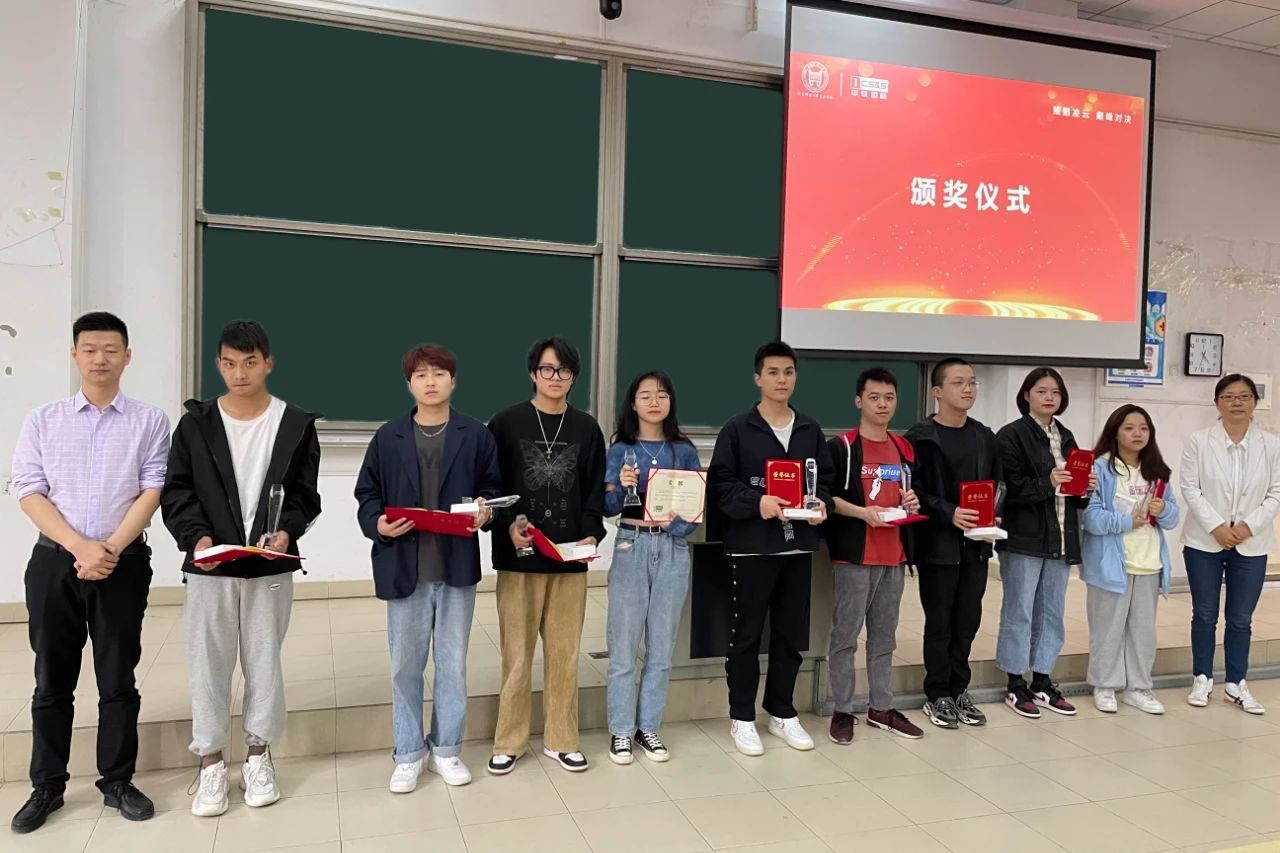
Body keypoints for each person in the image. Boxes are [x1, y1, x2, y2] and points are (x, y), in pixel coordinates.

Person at [10, 312, 170, 833]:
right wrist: (79, 546)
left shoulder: (149, 421)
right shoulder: (43, 419)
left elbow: (153, 488)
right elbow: (28, 488)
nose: (101, 359)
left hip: (123, 564)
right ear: (74, 355)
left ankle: (117, 781)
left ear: (127, 356)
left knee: (118, 677)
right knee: (51, 680)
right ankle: (47, 785)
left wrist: (110, 549)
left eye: (111, 349)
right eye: (90, 349)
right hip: (54, 562)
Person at [161, 320, 322, 817]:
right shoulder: (196, 424)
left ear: (268, 363)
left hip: (268, 566)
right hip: (210, 568)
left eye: (250, 362)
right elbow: (177, 491)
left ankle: (258, 754)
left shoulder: (294, 424)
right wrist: (198, 539)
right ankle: (210, 761)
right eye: (229, 363)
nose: (239, 373)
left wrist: (287, 531)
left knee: (264, 661)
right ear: (218, 364)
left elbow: (305, 496)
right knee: (208, 662)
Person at [355, 344, 502, 791]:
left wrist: (486, 512)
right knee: (405, 666)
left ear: (453, 381)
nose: (431, 381)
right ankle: (408, 753)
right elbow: (367, 494)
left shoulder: (475, 434)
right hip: (405, 567)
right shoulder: (388, 436)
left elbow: (492, 488)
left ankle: (446, 749)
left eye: (439, 373)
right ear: (409, 384)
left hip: (455, 567)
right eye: (421, 375)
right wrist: (378, 524)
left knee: (452, 665)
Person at [486, 337, 607, 774]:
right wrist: (507, 525)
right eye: (547, 369)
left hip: (569, 560)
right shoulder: (505, 423)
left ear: (574, 377)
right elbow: (492, 488)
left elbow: (594, 491)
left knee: (564, 654)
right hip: (519, 559)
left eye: (564, 370)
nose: (555, 377)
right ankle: (509, 741)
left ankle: (562, 739)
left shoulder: (587, 428)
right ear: (533, 373)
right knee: (516, 656)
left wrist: (591, 534)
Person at [708, 341, 833, 757]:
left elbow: (825, 483)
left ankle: (782, 711)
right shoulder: (738, 429)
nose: (782, 380)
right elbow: (721, 486)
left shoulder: (810, 429)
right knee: (746, 637)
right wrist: (756, 502)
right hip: (752, 549)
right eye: (774, 372)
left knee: (789, 636)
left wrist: (820, 505)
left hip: (797, 549)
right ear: (758, 378)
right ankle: (742, 717)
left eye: (789, 372)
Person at [603, 371, 702, 765]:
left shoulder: (684, 450)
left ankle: (648, 727)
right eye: (645, 395)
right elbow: (607, 508)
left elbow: (695, 511)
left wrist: (675, 525)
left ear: (671, 401)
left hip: (673, 549)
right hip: (631, 543)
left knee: (661, 647)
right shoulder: (620, 450)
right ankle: (621, 731)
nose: (654, 401)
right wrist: (619, 484)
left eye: (662, 394)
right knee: (624, 647)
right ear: (633, 403)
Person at [824, 367, 923, 744]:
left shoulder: (903, 448)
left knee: (884, 638)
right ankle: (842, 710)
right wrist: (863, 513)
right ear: (859, 401)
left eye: (889, 398)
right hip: (854, 556)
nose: (882, 404)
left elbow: (910, 492)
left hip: (893, 556)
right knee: (846, 637)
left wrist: (912, 501)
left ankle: (881, 707)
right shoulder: (843, 447)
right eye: (874, 397)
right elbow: (825, 497)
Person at [906, 358, 1002, 730]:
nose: (968, 389)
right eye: (959, 382)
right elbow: (914, 490)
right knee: (940, 622)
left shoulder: (983, 435)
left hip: (975, 546)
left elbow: (998, 485)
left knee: (967, 622)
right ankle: (937, 693)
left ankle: (960, 689)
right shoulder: (919, 437)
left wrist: (994, 514)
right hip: (938, 545)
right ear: (937, 391)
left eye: (972, 382)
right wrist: (950, 512)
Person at [995, 367, 1095, 719]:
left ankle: (1042, 680)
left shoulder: (1065, 436)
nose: (1049, 397)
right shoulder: (1011, 436)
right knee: (1020, 611)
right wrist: (1047, 482)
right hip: (1023, 538)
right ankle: (1015, 682)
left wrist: (1084, 488)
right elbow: (1007, 490)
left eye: (1055, 392)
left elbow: (1071, 492)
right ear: (1026, 395)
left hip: (1061, 536)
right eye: (1041, 391)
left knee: (1052, 612)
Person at [1180, 374, 1280, 714]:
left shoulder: (1271, 445)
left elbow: (1276, 492)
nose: (1237, 402)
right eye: (1228, 396)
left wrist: (1247, 526)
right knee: (1204, 614)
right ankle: (1202, 678)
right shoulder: (1199, 441)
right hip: (1204, 541)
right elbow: (1190, 488)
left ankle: (1236, 683)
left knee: (1240, 618)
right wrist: (1217, 527)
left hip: (1252, 543)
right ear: (1217, 403)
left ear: (1254, 402)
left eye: (1244, 396)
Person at [1081, 405, 1180, 714]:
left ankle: (1138, 688)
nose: (1137, 433)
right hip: (1111, 565)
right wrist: (1127, 522)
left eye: (1143, 428)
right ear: (1115, 433)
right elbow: (1090, 518)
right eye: (1129, 427)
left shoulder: (1156, 471)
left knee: (1143, 632)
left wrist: (1163, 511)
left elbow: (1173, 517)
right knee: (1107, 630)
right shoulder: (1100, 469)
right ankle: (1105, 685)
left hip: (1149, 563)